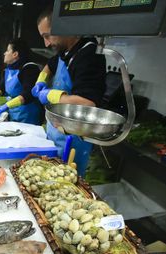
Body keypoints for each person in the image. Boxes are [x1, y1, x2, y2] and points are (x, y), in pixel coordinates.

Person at [32, 7, 106, 176]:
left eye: (47, 36)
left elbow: (88, 102)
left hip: (72, 141)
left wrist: (52, 95)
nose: (47, 43)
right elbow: (50, 65)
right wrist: (41, 80)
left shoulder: (89, 54)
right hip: (55, 132)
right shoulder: (65, 50)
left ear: (64, 28)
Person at [0, 38, 43, 125]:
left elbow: (28, 94)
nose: (5, 53)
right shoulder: (10, 68)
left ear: (15, 54)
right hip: (14, 112)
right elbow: (2, 86)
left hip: (28, 115)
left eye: (7, 50)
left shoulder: (29, 68)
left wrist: (6, 105)